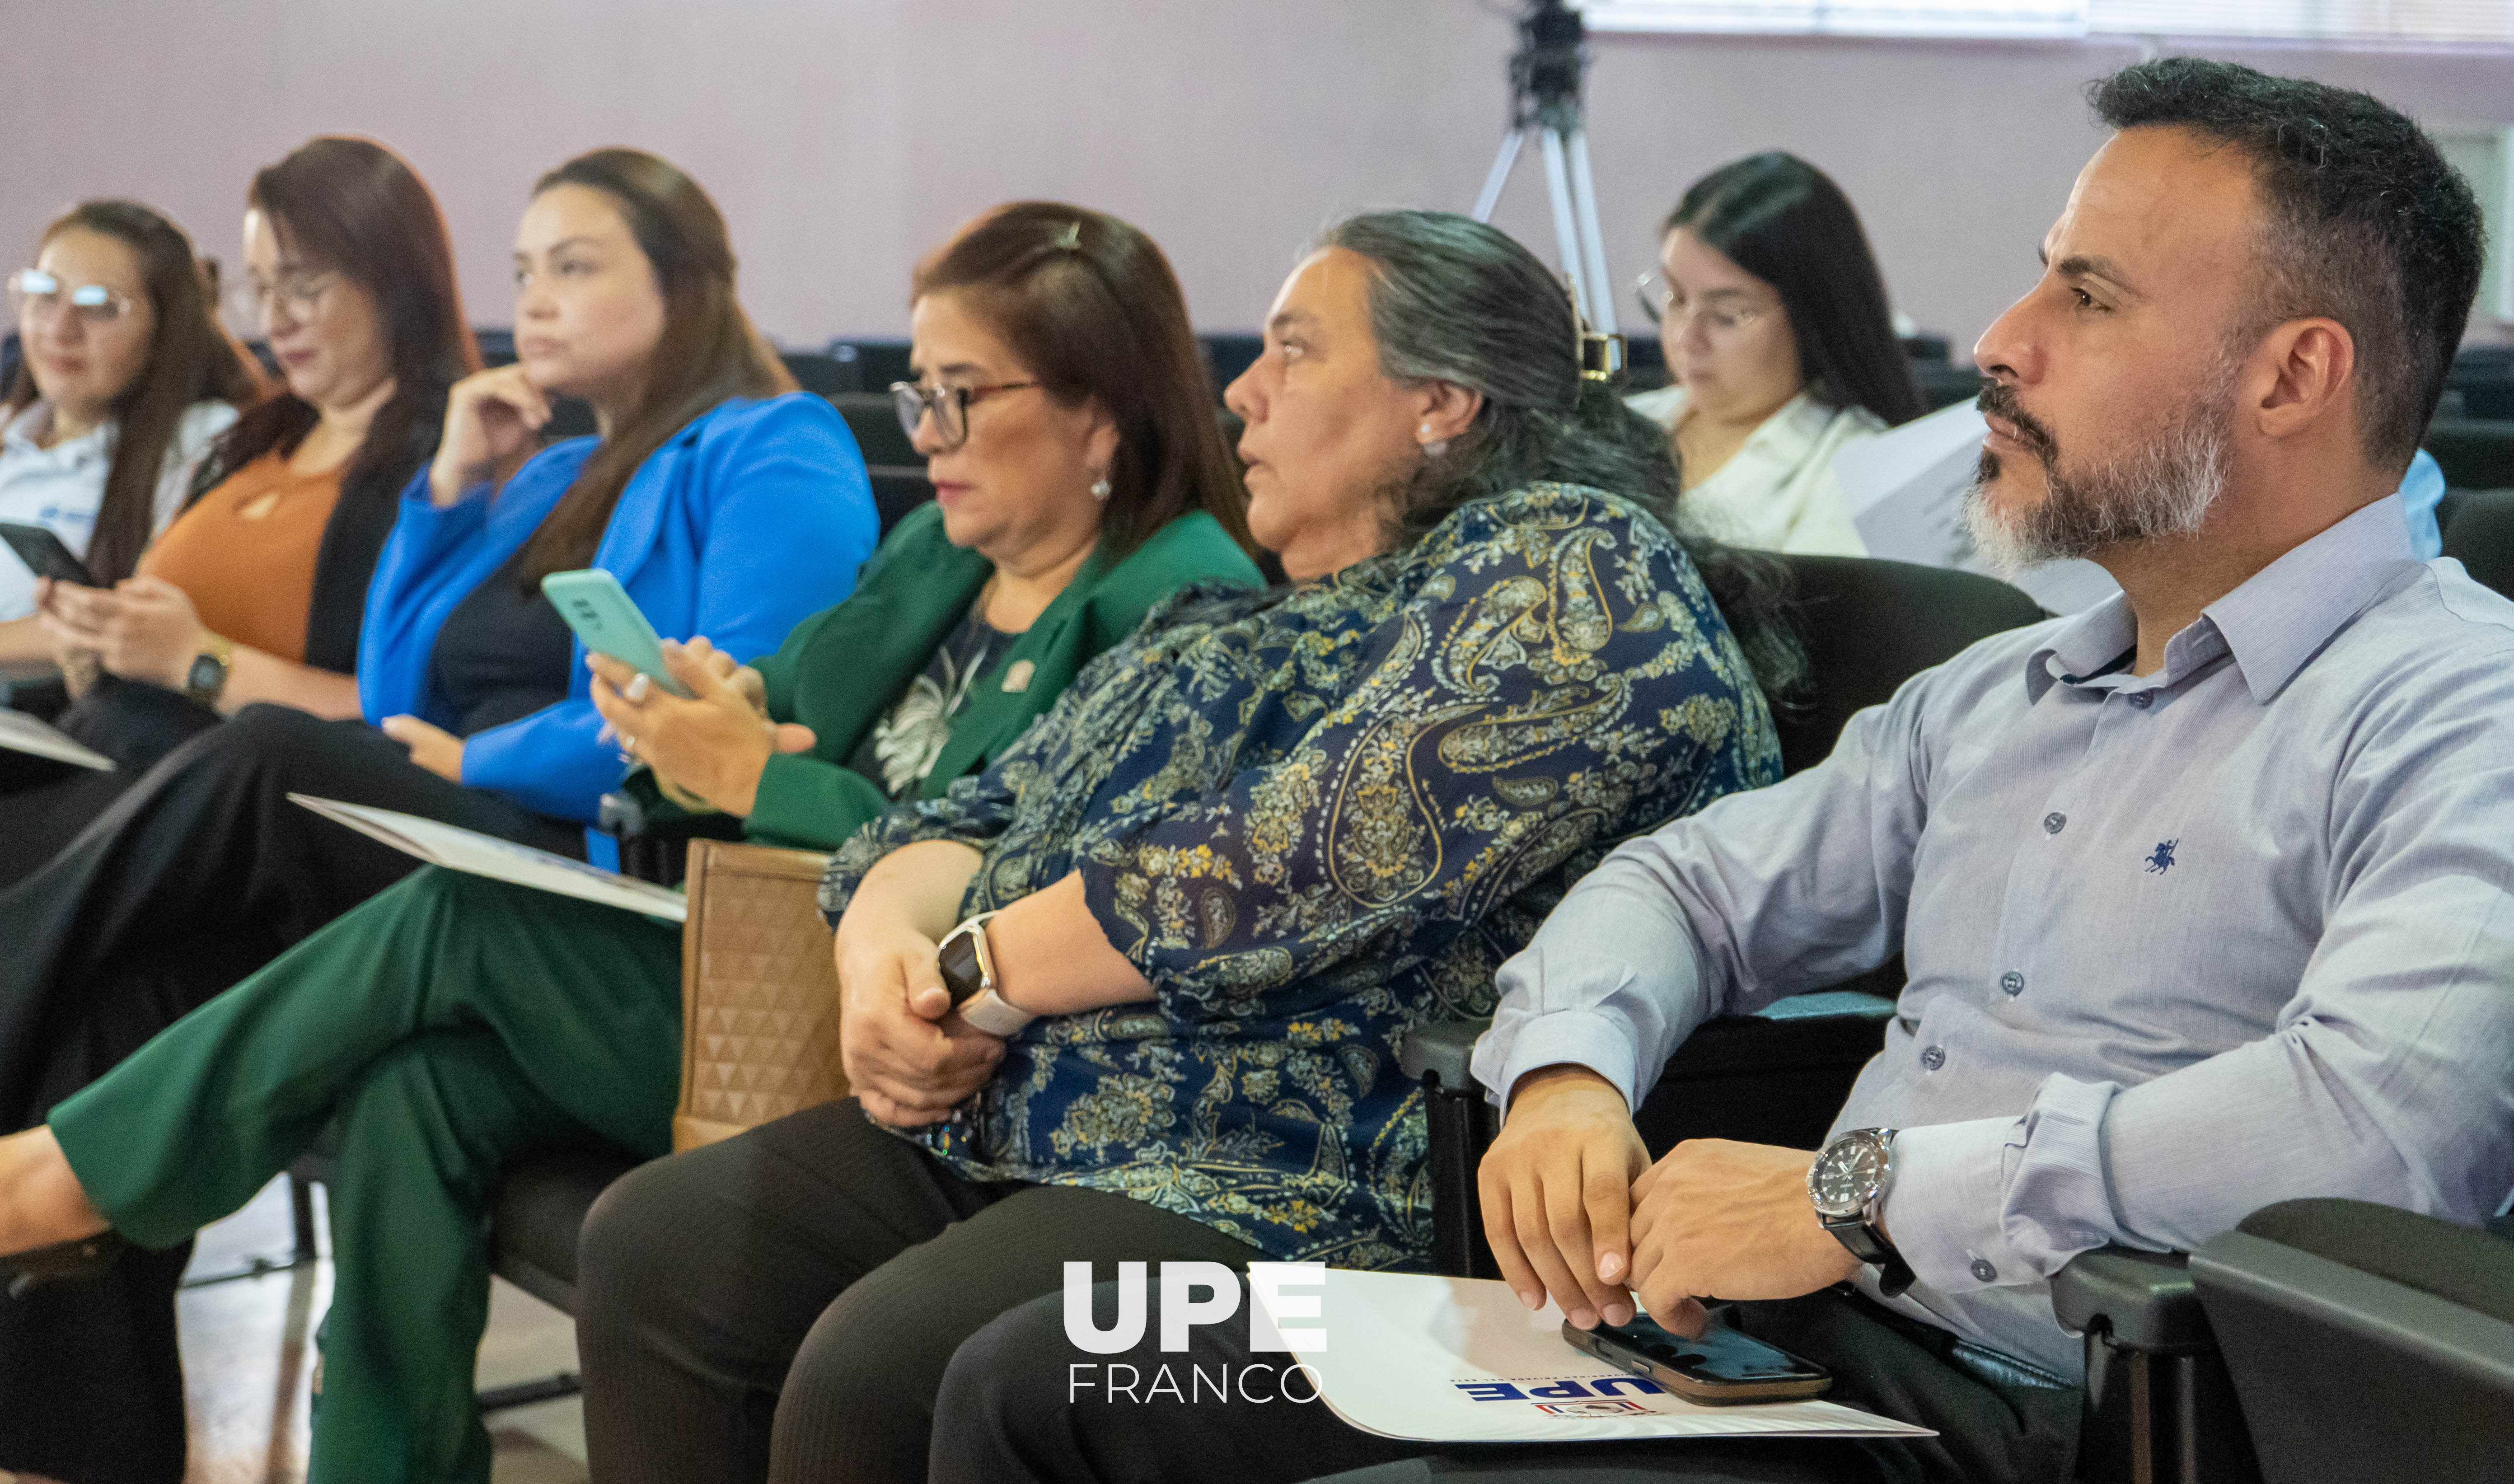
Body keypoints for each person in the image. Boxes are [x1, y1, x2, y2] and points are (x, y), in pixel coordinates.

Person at [928, 59, 2514, 1484]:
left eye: (2087, 298)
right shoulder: (2003, 691)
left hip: (2059, 1406)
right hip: (1761, 1332)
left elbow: (2379, 1123)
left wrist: (1858, 1195)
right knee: (1055, 1376)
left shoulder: (2458, 711)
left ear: (2295, 376)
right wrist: (1565, 1070)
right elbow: (1683, 883)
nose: (1999, 342)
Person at [0, 200, 1244, 1484]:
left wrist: (750, 777)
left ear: (1097, 414)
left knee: (445, 915)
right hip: (739, 955)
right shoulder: (941, 556)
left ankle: (66, 1176)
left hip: (909, 1041)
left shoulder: (1177, 598)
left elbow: (1040, 868)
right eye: (918, 393)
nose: (926, 431)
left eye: (961, 395)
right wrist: (694, 721)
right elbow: (750, 722)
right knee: (421, 1079)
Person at [549, 208, 1802, 1483]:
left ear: (1442, 401)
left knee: (886, 1365)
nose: (1241, 396)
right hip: (1030, 1114)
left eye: (1294, 352)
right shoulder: (1227, 620)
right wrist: (886, 958)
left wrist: (972, 969)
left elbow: (1284, 864)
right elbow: (968, 813)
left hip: (1304, 1171)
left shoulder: (1571, 564)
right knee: (664, 1242)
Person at [0, 136, 475, 1007]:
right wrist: (98, 641)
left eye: (303, 286)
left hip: (211, 790)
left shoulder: (441, 466)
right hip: (105, 738)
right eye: (262, 289)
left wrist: (198, 662)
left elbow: (402, 714)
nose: (277, 321)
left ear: (395, 278)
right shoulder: (258, 438)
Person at [0, 201, 260, 690]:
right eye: (44, 295)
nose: (60, 330)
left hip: (26, 725)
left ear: (167, 330)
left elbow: (146, 631)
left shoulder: (202, 439)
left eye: (99, 307)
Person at [1629, 153, 1923, 556]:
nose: (1686, 337)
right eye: (1676, 298)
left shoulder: (1856, 473)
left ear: (1815, 319)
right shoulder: (1633, 421)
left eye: (1727, 316)